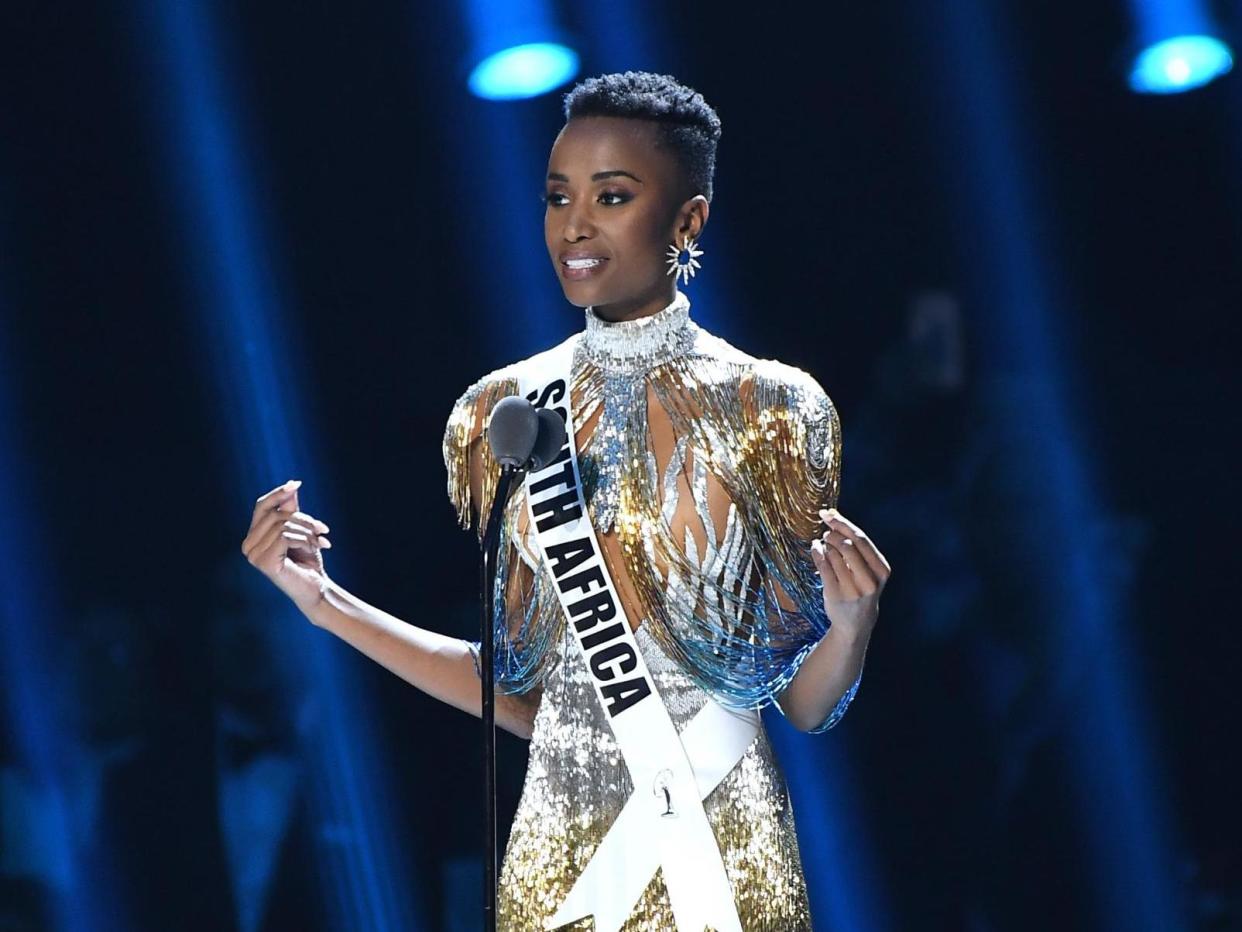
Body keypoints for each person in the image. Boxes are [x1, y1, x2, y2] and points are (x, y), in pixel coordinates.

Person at [242, 71, 891, 931]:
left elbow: (805, 708)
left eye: (612, 196)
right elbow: (519, 699)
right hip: (568, 856)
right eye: (557, 197)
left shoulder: (773, 410)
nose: (574, 226)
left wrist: (852, 625)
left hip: (724, 853)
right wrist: (324, 605)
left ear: (688, 219)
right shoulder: (498, 414)